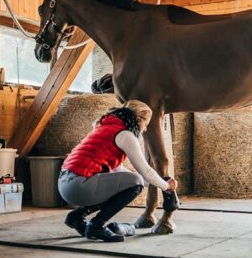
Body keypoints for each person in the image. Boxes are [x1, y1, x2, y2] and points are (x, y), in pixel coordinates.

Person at [58, 100, 179, 242]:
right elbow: (145, 171)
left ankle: (76, 217)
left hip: (66, 185)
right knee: (136, 182)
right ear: (139, 120)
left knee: (133, 183)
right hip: (80, 185)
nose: (145, 129)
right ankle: (96, 226)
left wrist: (151, 183)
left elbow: (119, 171)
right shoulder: (125, 135)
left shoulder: (106, 128)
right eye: (146, 124)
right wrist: (167, 186)